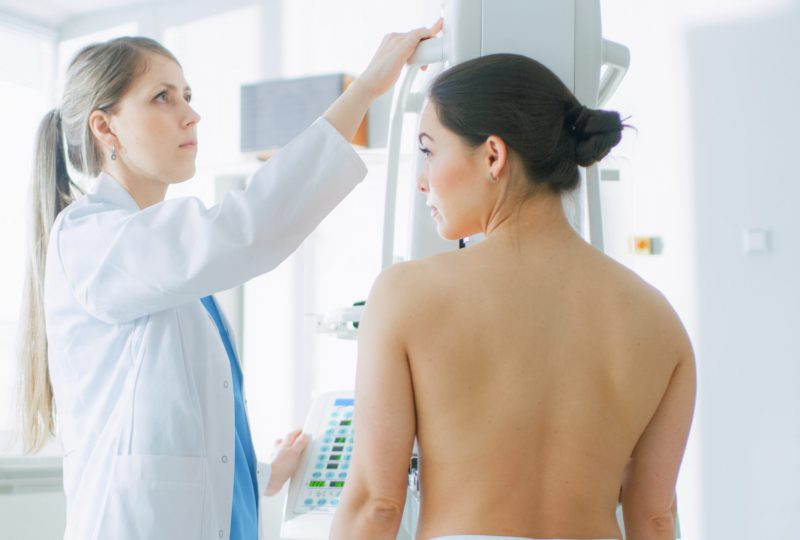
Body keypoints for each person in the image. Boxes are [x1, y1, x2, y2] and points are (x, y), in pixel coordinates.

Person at [18, 20, 443, 540]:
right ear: (105, 128)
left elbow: (177, 435)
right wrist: (365, 89)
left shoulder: (164, 260)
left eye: (188, 95)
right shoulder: (91, 239)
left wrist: (264, 473)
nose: (191, 114)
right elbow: (246, 230)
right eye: (162, 98)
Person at [331, 53, 695, 540]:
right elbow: (653, 519)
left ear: (493, 156)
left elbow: (376, 505)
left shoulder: (405, 295)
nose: (422, 179)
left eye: (429, 150)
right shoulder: (659, 322)